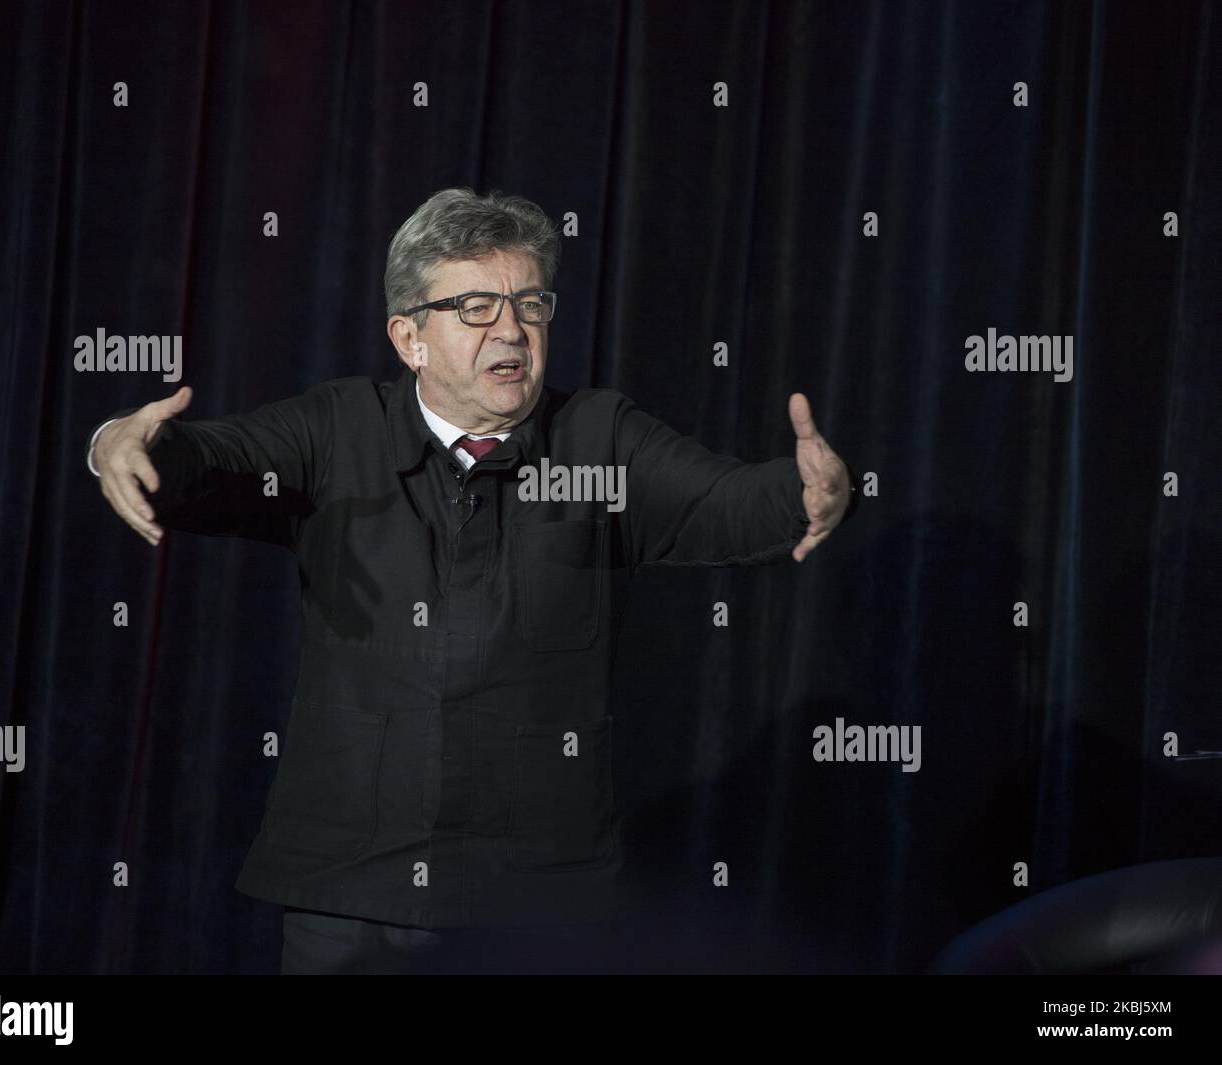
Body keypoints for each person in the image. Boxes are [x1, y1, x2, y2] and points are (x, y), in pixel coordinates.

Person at [86, 187, 860, 973]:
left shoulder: (598, 441)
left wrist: (806, 495)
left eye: (530, 302)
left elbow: (723, 500)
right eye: (477, 307)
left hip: (536, 907)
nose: (513, 330)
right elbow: (214, 458)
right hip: (352, 895)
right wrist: (123, 441)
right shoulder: (337, 430)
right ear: (409, 338)